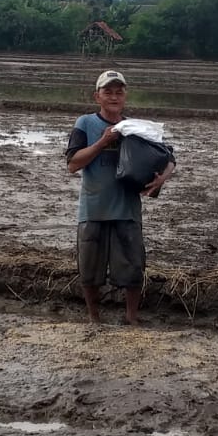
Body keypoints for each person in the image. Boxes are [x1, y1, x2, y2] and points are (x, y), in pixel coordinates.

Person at [65, 69, 175, 325]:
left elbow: (169, 156)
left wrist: (162, 178)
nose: (114, 97)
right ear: (97, 96)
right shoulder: (85, 124)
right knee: (90, 269)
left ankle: (131, 318)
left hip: (127, 208)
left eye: (119, 92)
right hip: (94, 208)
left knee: (133, 267)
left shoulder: (135, 128)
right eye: (108, 92)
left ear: (125, 96)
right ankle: (94, 319)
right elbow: (72, 163)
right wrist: (102, 143)